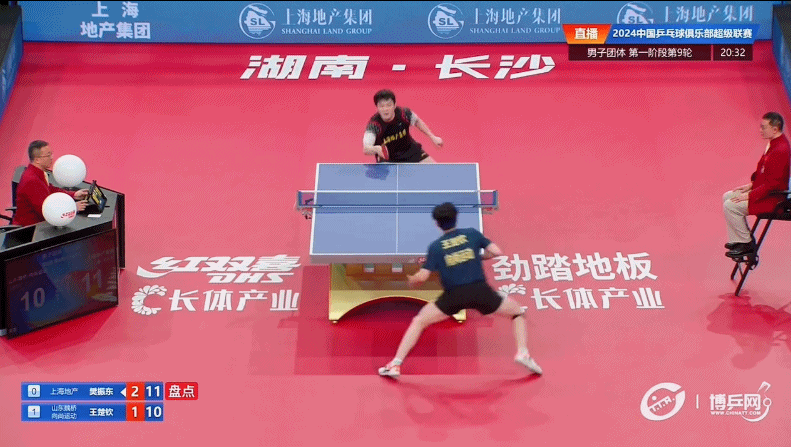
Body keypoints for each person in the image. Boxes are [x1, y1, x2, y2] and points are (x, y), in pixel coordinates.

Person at [378, 202, 543, 378]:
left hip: (454, 296)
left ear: (437, 223)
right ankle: (523, 353)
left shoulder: (436, 247)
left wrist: (412, 280)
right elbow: (496, 252)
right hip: (480, 292)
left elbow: (422, 277)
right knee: (517, 313)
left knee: (419, 321)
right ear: (456, 218)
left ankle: (395, 365)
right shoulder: (472, 233)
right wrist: (475, 257)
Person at [723, 112, 791, 258]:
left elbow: (773, 184)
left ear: (775, 129)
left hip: (772, 199)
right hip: (765, 192)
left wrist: (750, 195)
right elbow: (765, 172)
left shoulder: (780, 150)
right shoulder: (773, 143)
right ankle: (738, 241)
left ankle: (746, 244)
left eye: (763, 127)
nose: (760, 130)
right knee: (727, 196)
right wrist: (751, 185)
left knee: (730, 205)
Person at [12, 140, 89, 226]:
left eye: (51, 154)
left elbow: (51, 190)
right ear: (37, 160)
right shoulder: (32, 180)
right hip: (31, 229)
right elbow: (45, 212)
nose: (52, 158)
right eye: (48, 155)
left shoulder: (37, 172)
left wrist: (74, 194)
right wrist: (72, 208)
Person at [363, 89, 444, 163]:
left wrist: (432, 137)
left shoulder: (404, 114)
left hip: (410, 151)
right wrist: (375, 149)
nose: (385, 109)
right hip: (389, 159)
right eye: (382, 106)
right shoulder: (374, 125)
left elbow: (417, 121)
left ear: (394, 105)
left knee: (435, 171)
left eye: (388, 105)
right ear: (377, 107)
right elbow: (366, 149)